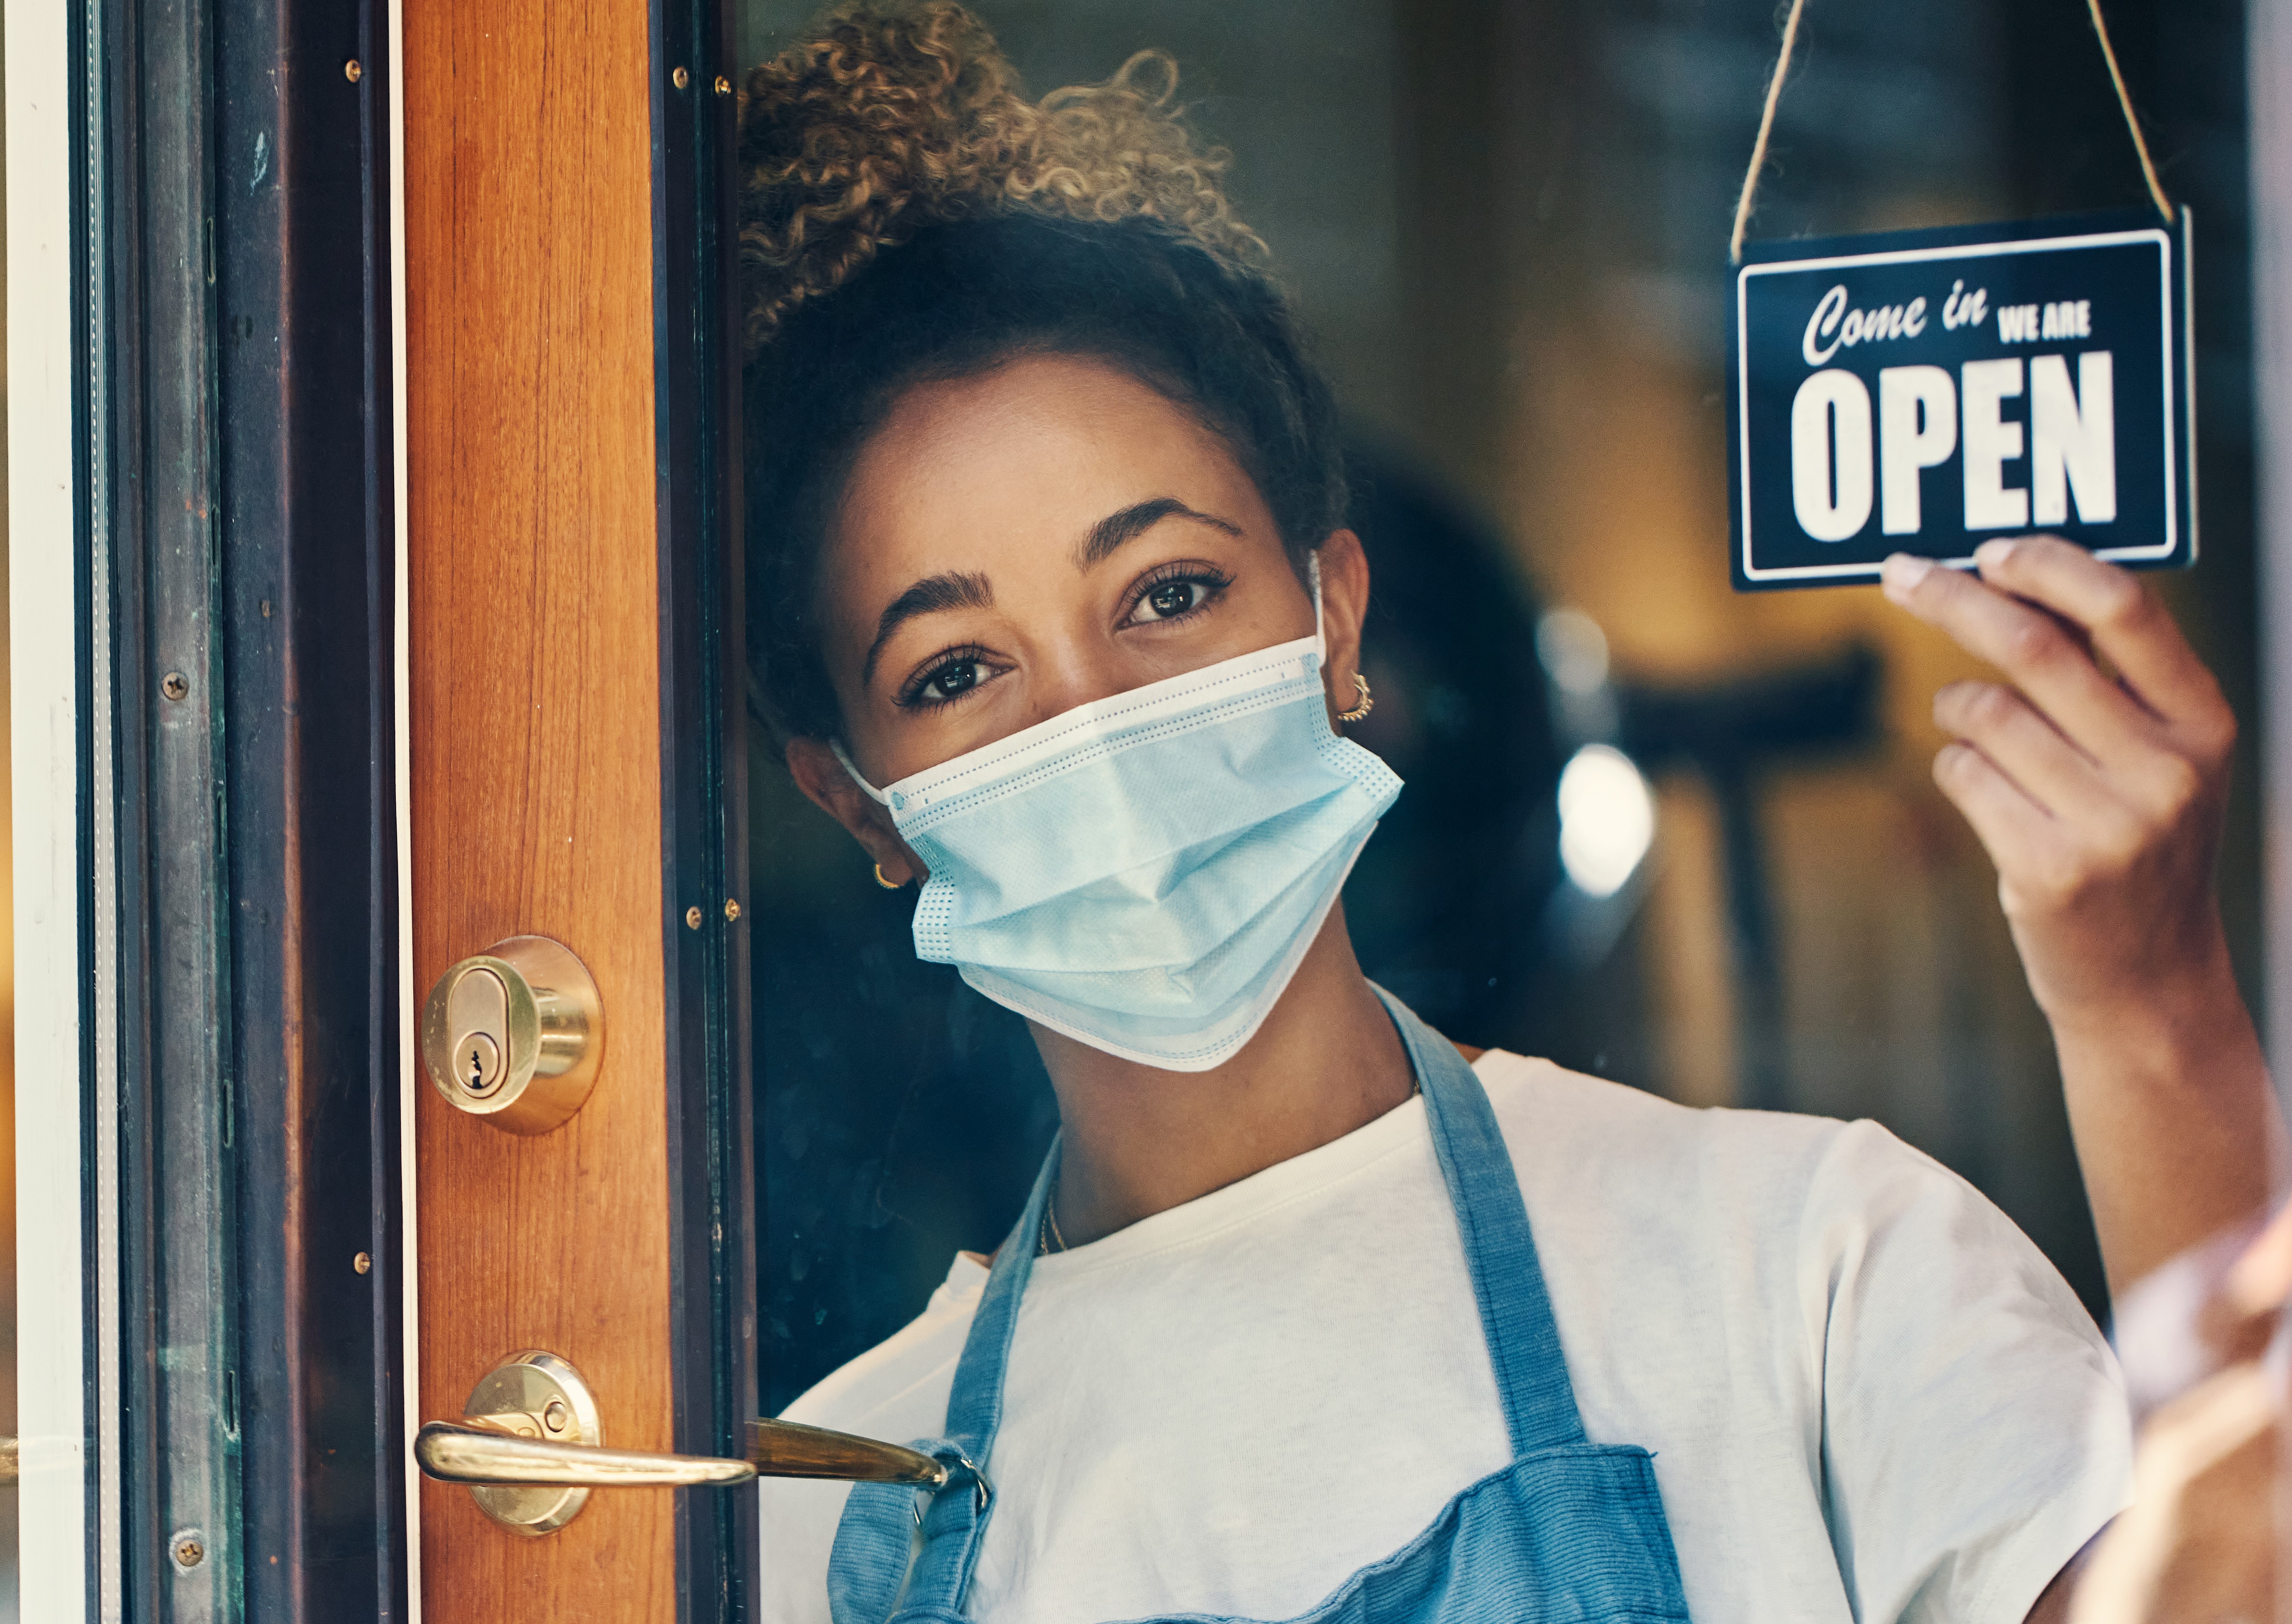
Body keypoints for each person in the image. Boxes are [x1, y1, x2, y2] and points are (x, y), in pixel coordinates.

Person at [735, 7, 2281, 1621]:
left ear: (1334, 624)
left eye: (1168, 589)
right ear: (858, 797)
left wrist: (2148, 1011)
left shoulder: (1807, 1267)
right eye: (957, 668)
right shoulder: (817, 1508)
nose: (1096, 717)